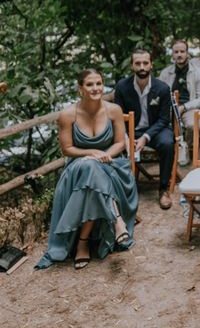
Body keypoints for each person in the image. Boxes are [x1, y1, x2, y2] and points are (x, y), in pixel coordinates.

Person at [36, 69, 137, 269]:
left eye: (99, 83)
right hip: (78, 167)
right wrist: (93, 152)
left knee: (92, 174)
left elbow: (120, 144)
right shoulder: (67, 115)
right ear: (80, 88)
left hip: (111, 164)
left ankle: (83, 243)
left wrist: (105, 154)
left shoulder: (113, 110)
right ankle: (116, 220)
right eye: (90, 85)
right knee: (90, 167)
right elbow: (67, 149)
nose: (96, 88)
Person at [115, 49, 176, 210]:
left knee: (168, 143)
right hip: (131, 129)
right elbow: (118, 117)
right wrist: (127, 137)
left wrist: (145, 137)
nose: (142, 66)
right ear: (132, 66)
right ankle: (125, 189)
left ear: (151, 65)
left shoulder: (162, 88)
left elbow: (164, 119)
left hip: (155, 129)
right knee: (116, 143)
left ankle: (163, 189)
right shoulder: (122, 87)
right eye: (138, 63)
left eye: (145, 63)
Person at [158, 40, 200, 147]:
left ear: (187, 53)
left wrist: (184, 107)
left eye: (182, 51)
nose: (179, 54)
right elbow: (159, 94)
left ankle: (188, 149)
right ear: (172, 54)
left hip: (189, 109)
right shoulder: (165, 73)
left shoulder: (198, 73)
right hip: (169, 109)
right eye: (176, 52)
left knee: (192, 125)